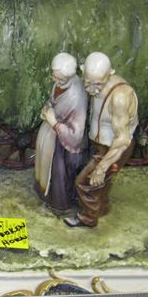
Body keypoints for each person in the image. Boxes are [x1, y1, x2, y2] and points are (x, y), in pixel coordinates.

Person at [64, 52, 138, 228]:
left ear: (110, 74)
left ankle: (88, 218)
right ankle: (101, 208)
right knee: (100, 183)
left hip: (113, 148)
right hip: (100, 144)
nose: (91, 89)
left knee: (85, 182)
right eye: (88, 82)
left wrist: (102, 167)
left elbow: (122, 140)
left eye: (98, 84)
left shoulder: (120, 98)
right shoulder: (95, 85)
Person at [34, 53, 87, 214]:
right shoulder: (60, 83)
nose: (55, 81)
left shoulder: (76, 96)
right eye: (54, 76)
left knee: (59, 174)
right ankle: (45, 193)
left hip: (64, 145)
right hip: (53, 134)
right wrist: (47, 108)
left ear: (69, 77)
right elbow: (53, 100)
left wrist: (54, 123)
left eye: (60, 79)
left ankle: (60, 204)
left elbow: (76, 135)